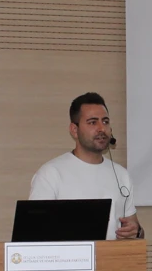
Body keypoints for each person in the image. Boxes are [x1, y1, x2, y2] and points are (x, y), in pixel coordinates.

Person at [29, 93, 141, 240]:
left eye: (105, 122)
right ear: (74, 130)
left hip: (112, 255)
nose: (101, 128)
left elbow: (136, 232)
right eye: (93, 122)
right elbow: (35, 233)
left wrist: (136, 232)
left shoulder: (122, 174)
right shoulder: (50, 174)